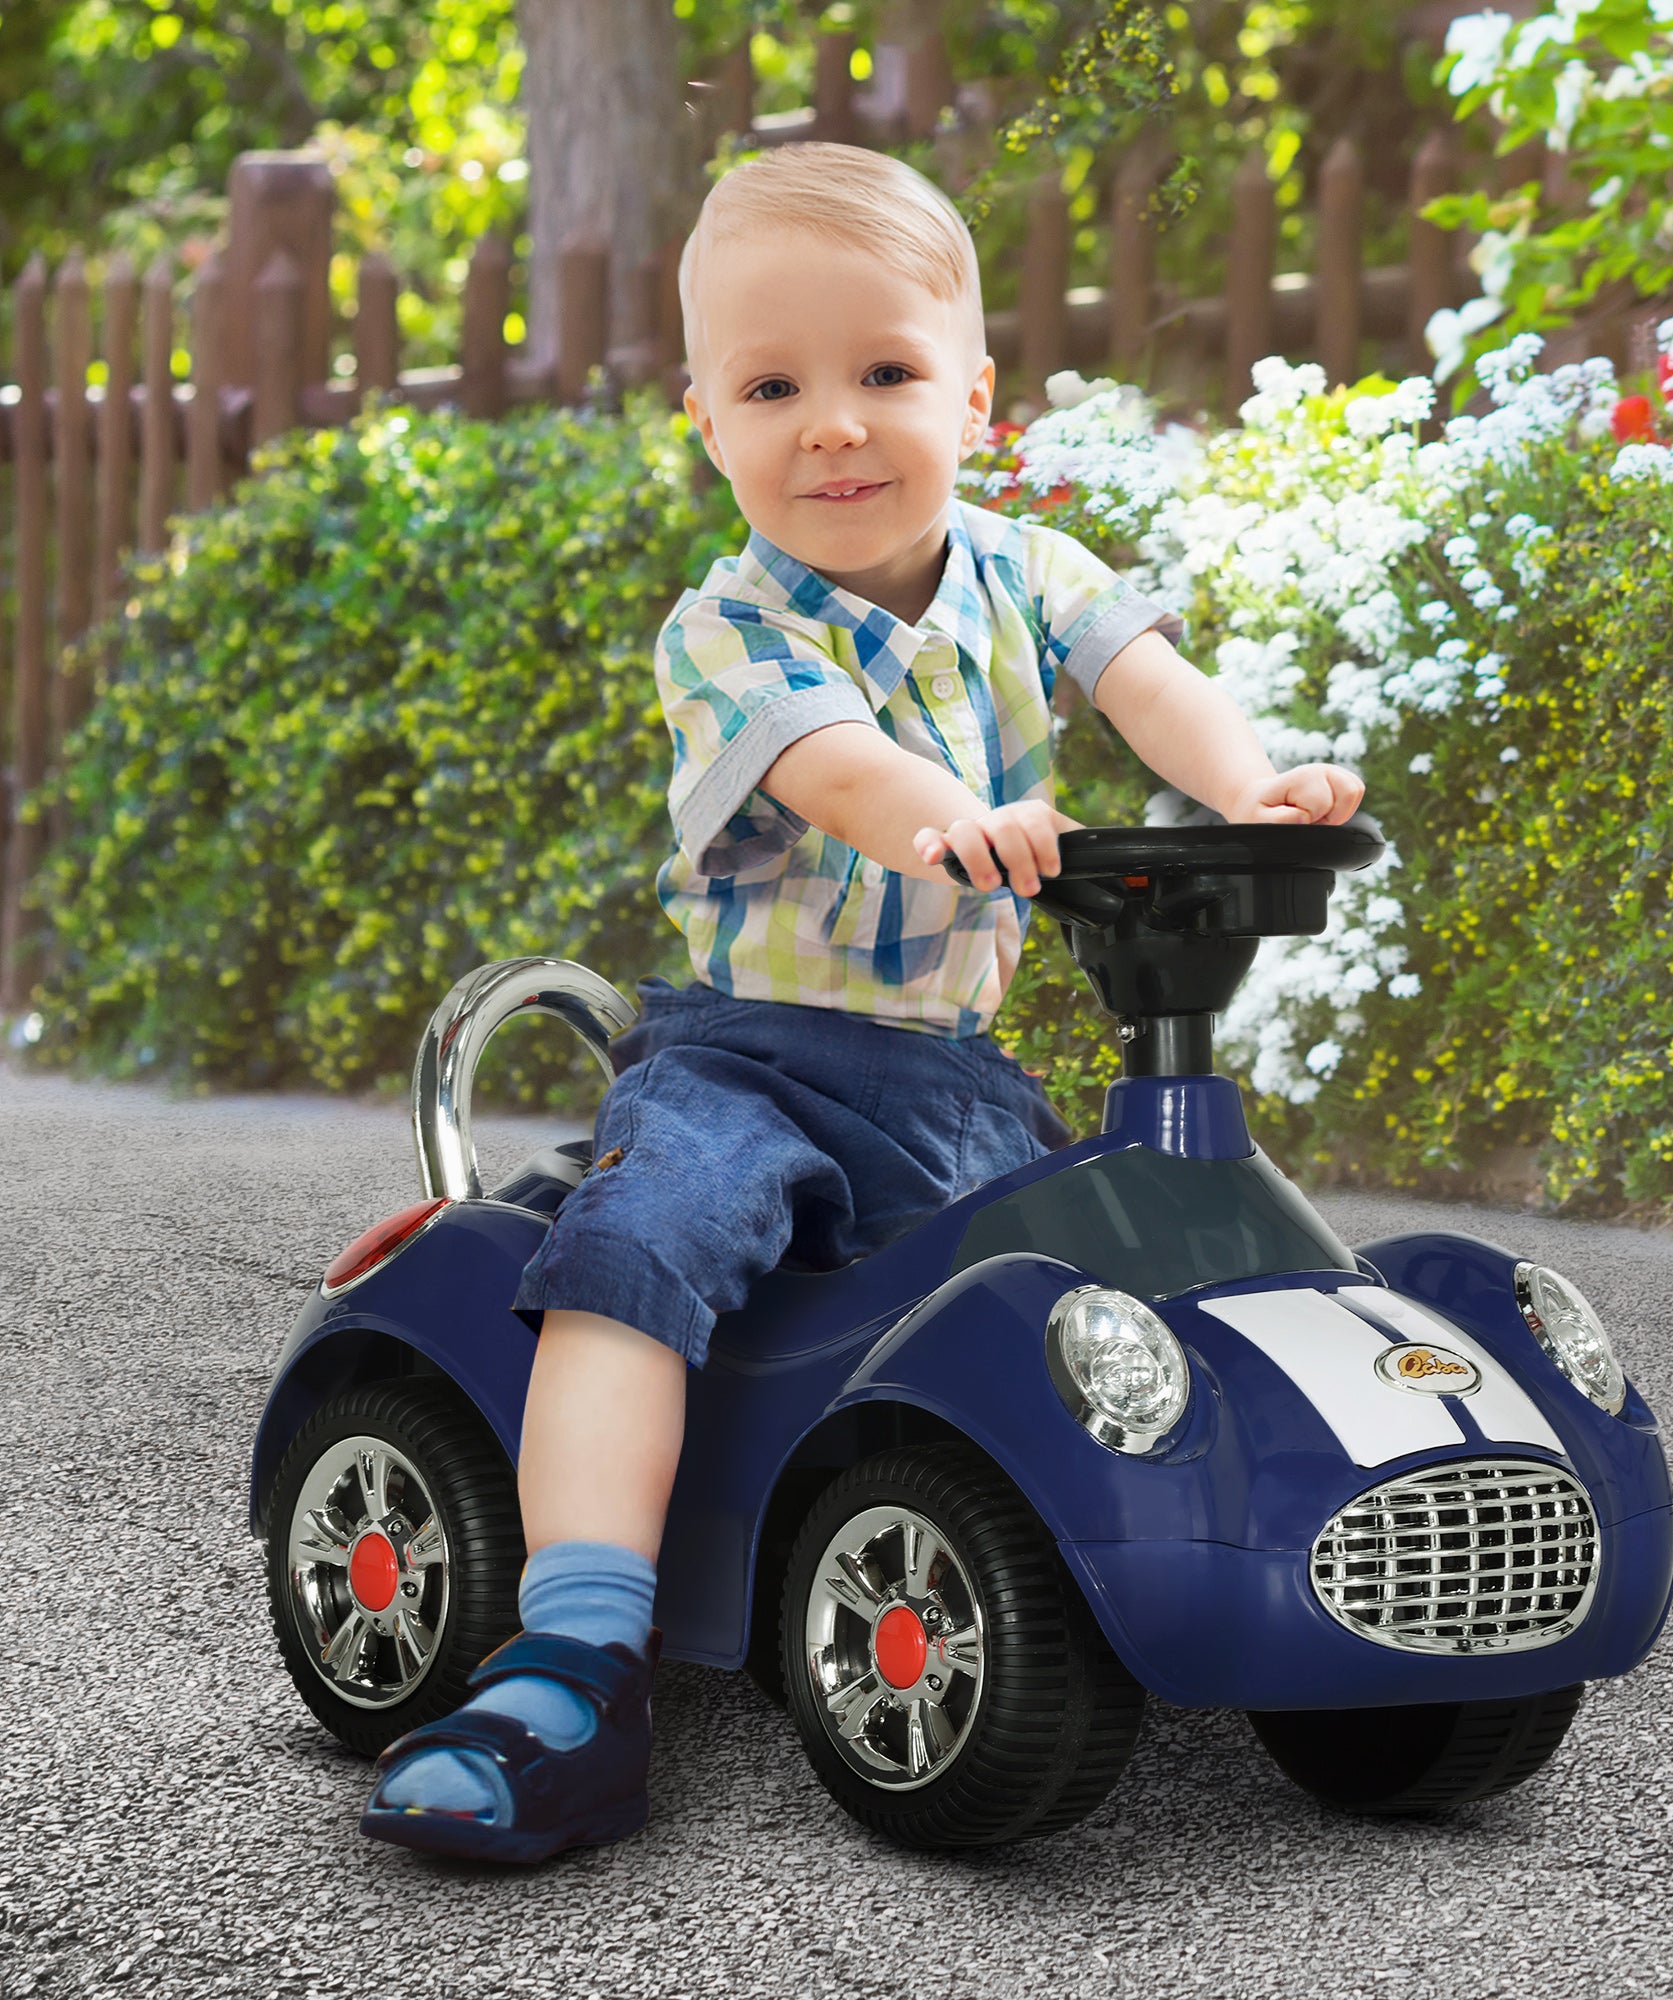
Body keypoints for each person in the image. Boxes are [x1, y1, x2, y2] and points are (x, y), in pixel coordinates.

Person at [360, 140, 1364, 1863]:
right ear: (708, 421)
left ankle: (1262, 1570)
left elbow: (1146, 676)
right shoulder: (727, 626)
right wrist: (946, 824)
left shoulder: (1028, 574)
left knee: (1102, 1284)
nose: (833, 423)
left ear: (972, 394)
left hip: (945, 1071)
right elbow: (836, 769)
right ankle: (579, 1655)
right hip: (745, 1057)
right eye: (775, 385)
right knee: (640, 1246)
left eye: (884, 373)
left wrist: (1253, 787)